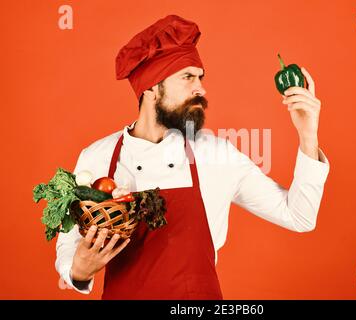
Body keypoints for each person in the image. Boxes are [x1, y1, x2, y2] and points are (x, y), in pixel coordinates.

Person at [55, 14, 330, 300]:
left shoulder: (216, 154)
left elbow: (299, 216)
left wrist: (308, 133)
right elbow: (68, 244)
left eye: (200, 77)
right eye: (187, 77)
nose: (201, 88)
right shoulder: (97, 157)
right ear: (151, 87)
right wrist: (78, 269)